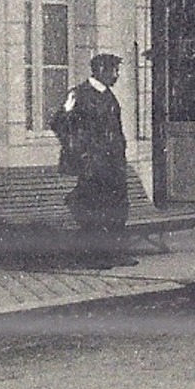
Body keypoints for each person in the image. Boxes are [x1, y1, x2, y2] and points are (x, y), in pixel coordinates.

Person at [48, 53, 134, 268]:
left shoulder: (109, 95)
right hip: (92, 164)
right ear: (101, 70)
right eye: (113, 70)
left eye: (117, 70)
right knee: (94, 208)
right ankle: (93, 256)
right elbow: (59, 122)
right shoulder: (78, 94)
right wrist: (80, 152)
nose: (117, 75)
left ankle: (114, 253)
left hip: (113, 162)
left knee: (117, 207)